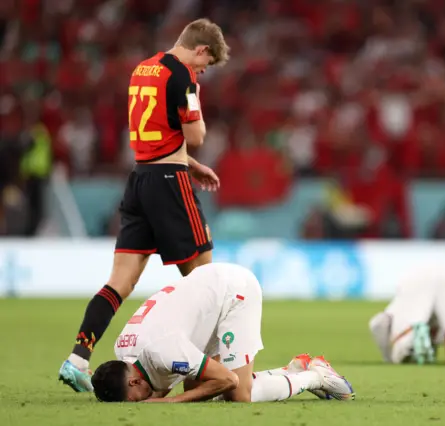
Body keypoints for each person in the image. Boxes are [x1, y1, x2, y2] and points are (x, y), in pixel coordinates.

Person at [59, 18, 229, 392]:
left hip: (139, 181)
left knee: (118, 283)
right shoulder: (184, 77)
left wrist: (193, 165)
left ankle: (77, 358)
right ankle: (216, 375)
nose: (202, 71)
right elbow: (196, 135)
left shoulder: (143, 68)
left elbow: (157, 131)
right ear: (201, 49)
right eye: (206, 64)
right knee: (207, 280)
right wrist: (194, 101)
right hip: (169, 184)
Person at [90, 263, 355, 403]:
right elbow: (156, 383)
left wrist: (171, 402)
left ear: (133, 382)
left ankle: (314, 376)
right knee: (199, 387)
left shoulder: (164, 350)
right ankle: (291, 371)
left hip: (233, 293)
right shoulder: (125, 351)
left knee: (239, 394)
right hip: (207, 291)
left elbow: (228, 380)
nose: (137, 404)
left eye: (132, 401)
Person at [368, 264, 445, 366]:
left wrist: (388, 357)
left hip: (416, 280)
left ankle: (411, 343)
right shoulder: (439, 332)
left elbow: (378, 323)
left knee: (404, 339)